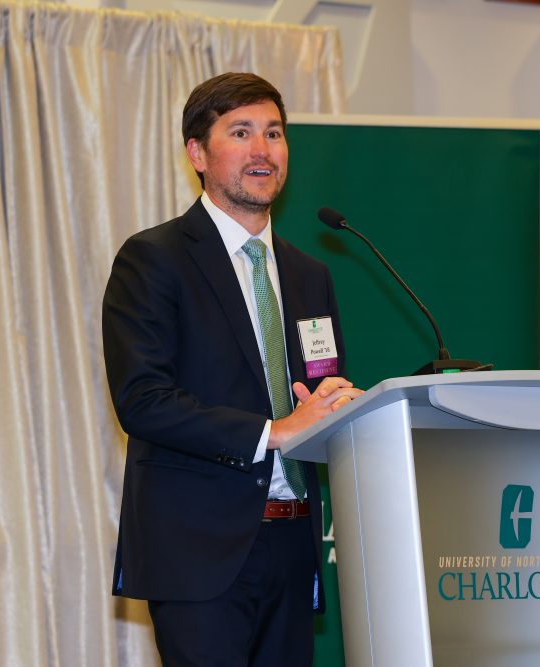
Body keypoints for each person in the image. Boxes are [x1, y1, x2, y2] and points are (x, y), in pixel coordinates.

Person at [101, 72, 363, 666]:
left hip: (296, 541)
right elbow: (142, 399)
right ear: (197, 152)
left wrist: (337, 403)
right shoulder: (154, 259)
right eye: (240, 132)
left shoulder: (308, 274)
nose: (262, 149)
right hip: (200, 548)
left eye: (273, 133)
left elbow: (315, 385)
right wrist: (275, 431)